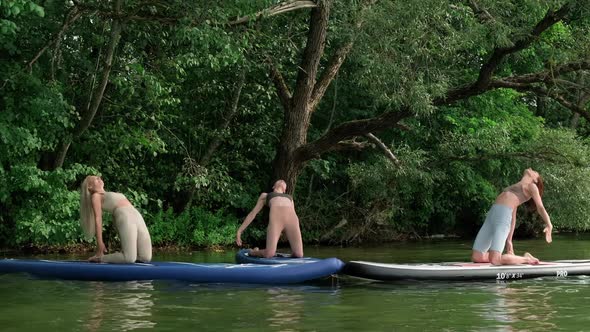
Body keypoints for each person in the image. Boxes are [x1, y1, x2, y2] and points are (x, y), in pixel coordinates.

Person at [472, 168, 552, 265]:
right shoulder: (514, 186)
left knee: (495, 260)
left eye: (535, 172)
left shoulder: (532, 186)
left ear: (535, 180)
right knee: (477, 257)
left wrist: (549, 224)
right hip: (491, 217)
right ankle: (509, 258)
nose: (531, 169)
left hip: (502, 219)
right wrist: (509, 241)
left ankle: (527, 259)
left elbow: (540, 207)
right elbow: (513, 216)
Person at [80, 175, 152, 263]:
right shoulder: (96, 196)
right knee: (129, 258)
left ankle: (124, 257)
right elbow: (98, 219)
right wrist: (100, 243)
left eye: (99, 178)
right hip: (125, 215)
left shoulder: (108, 193)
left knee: (146, 257)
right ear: (90, 187)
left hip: (136, 215)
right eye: (95, 179)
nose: (99, 178)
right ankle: (100, 259)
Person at [236, 179, 304, 258]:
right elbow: (253, 214)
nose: (282, 181)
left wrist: (286, 231)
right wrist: (239, 231)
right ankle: (253, 252)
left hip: (292, 222)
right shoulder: (265, 195)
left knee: (299, 254)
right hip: (276, 222)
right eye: (279, 182)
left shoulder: (290, 198)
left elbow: (294, 213)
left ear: (284, 190)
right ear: (273, 186)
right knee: (269, 254)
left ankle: (289, 256)